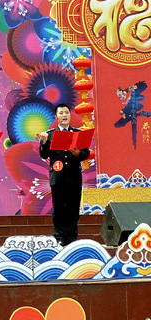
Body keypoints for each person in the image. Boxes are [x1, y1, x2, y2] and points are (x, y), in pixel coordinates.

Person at [39, 103, 90, 247]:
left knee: (73, 209)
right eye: (61, 113)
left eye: (67, 112)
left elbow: (85, 153)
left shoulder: (78, 133)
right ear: (56, 117)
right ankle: (59, 237)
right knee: (59, 209)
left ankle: (72, 237)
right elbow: (44, 154)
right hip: (58, 177)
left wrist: (78, 153)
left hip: (74, 177)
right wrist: (44, 143)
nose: (64, 115)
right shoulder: (49, 134)